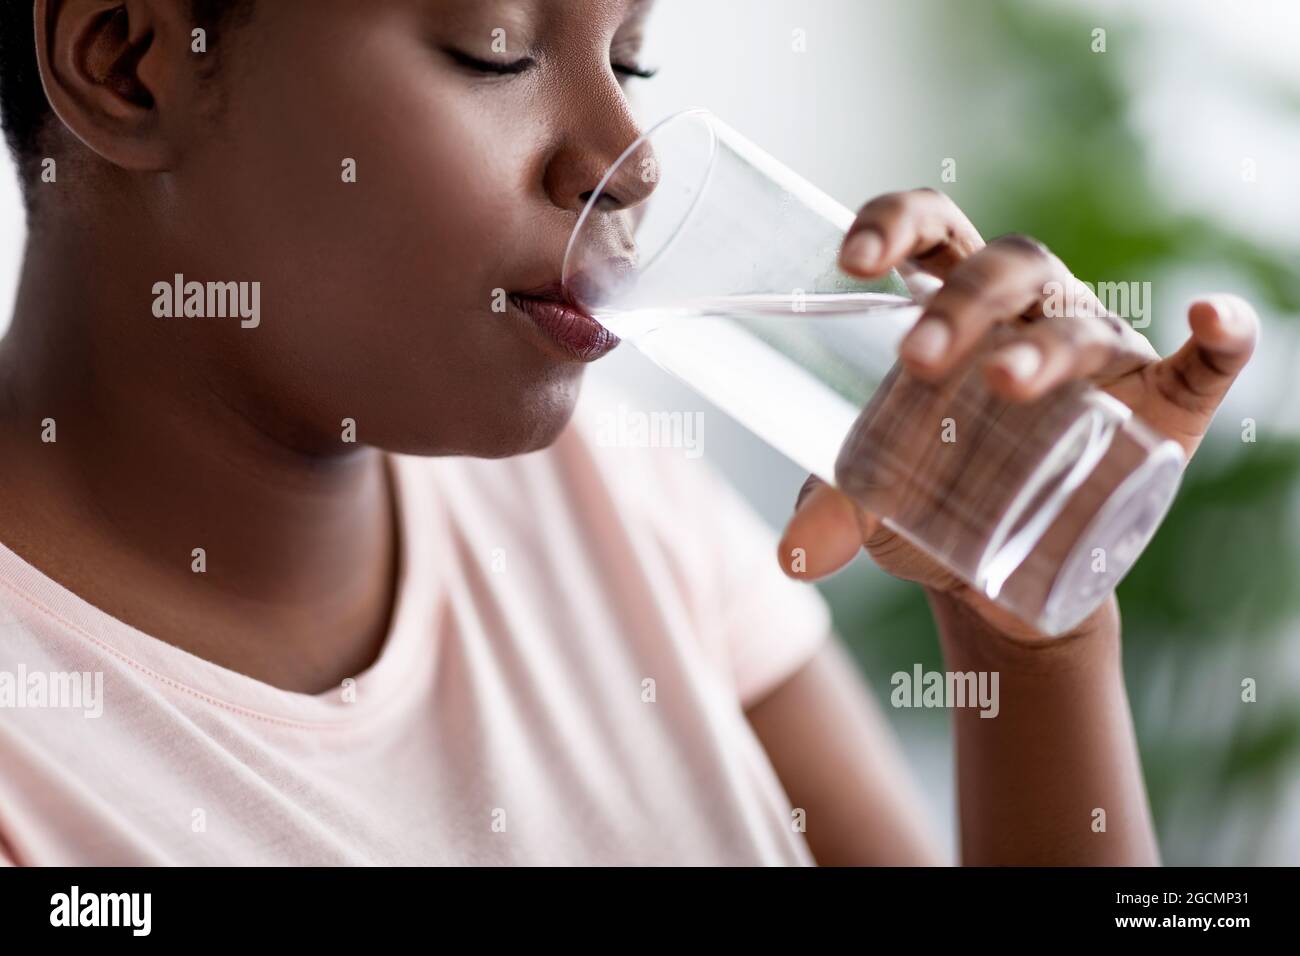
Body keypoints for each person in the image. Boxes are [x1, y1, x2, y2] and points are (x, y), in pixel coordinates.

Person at [0, 0, 1257, 865]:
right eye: (496, 50)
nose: (625, 157)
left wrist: (1028, 638)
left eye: (635, 59)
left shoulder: (613, 496)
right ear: (127, 60)